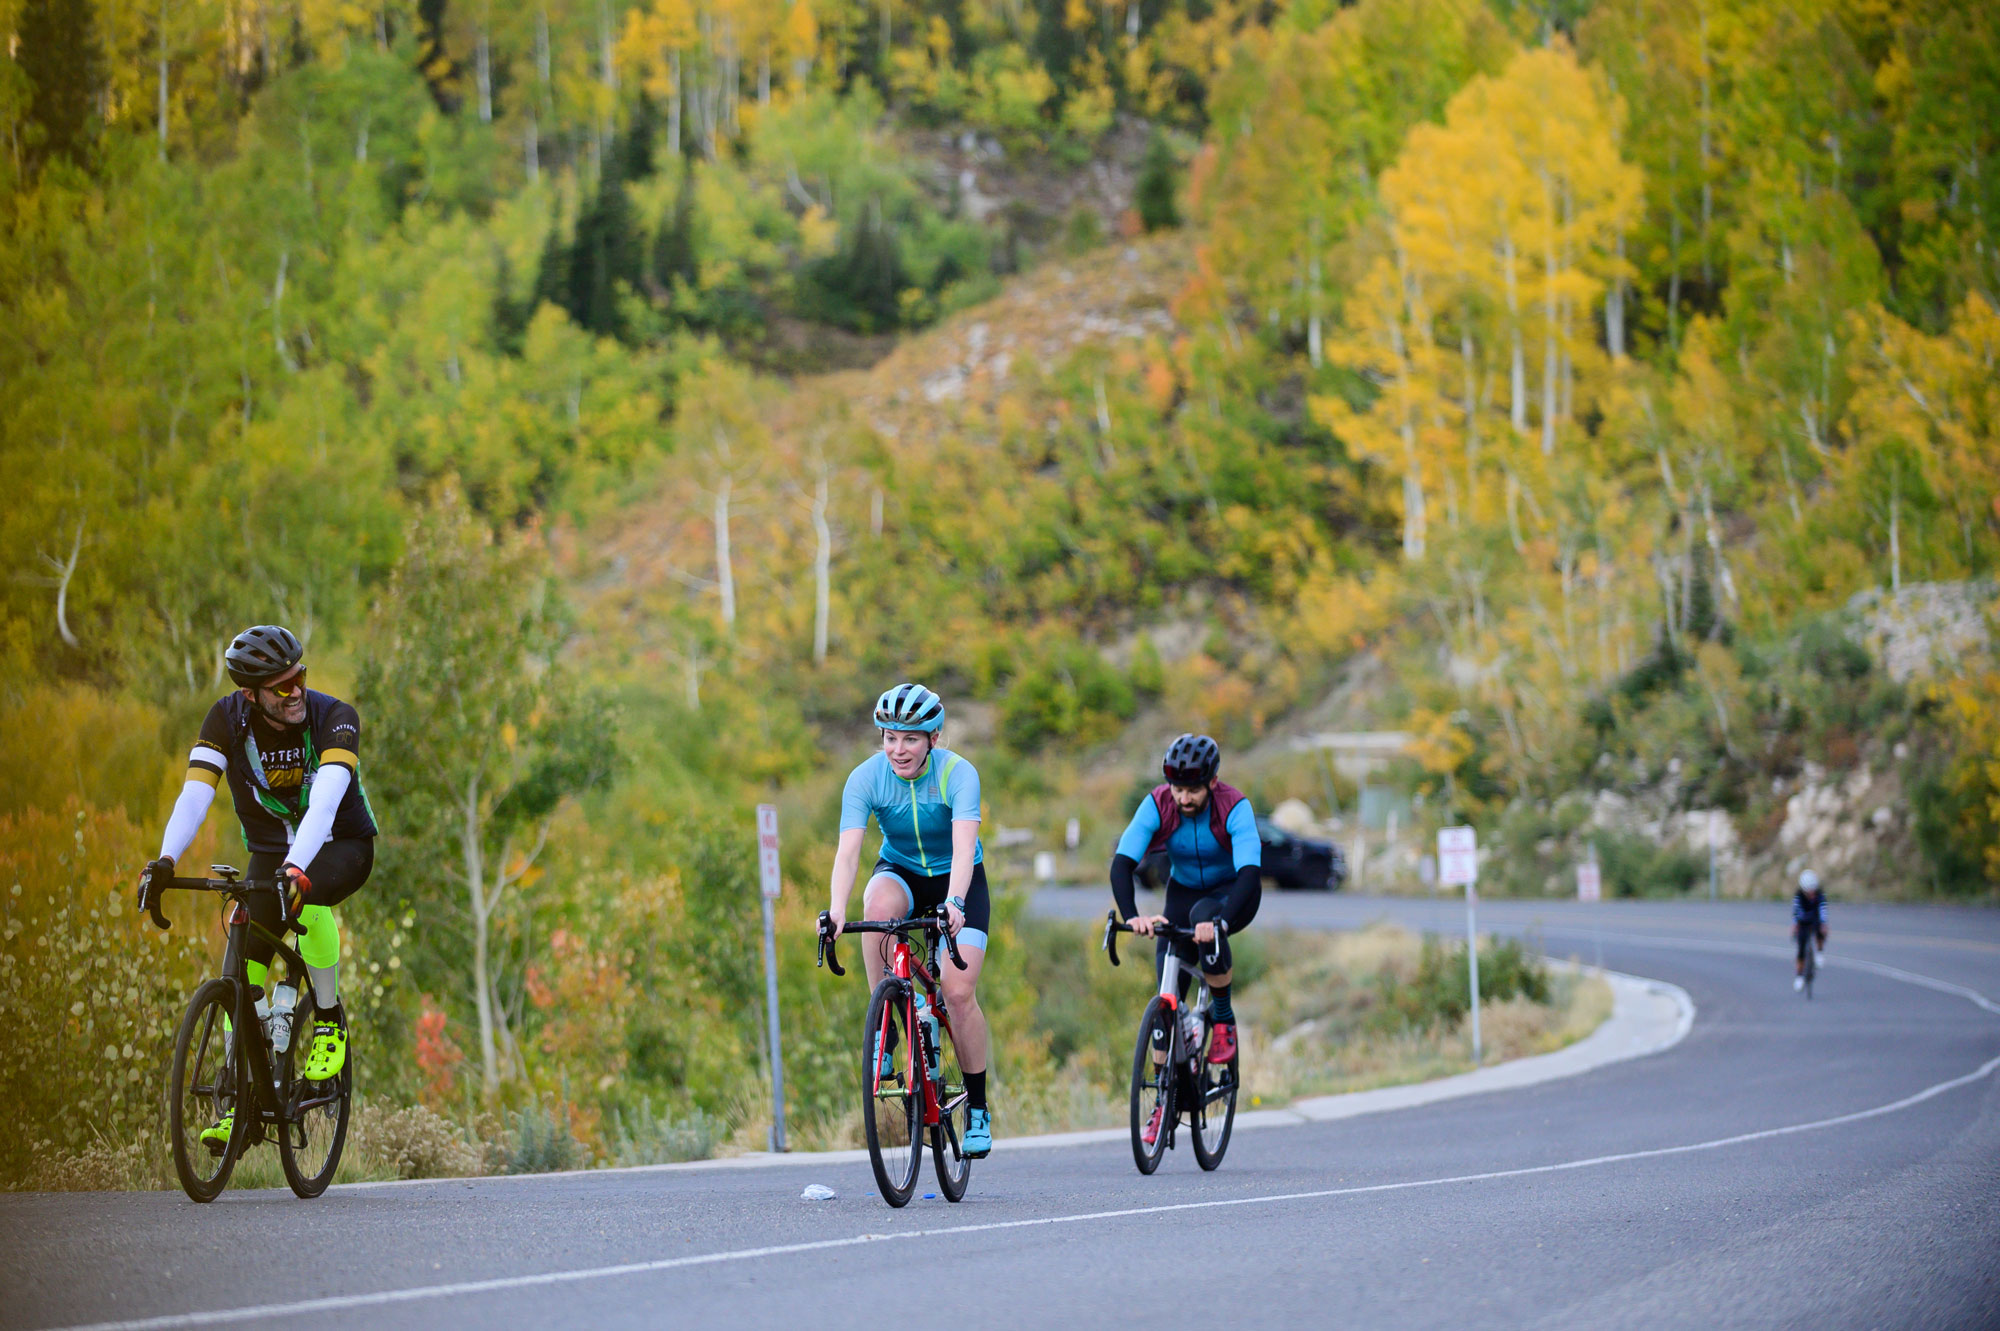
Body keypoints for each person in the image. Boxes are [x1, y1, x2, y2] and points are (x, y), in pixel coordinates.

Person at [136, 625, 377, 1149]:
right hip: (270, 852)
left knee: (305, 900)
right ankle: (239, 1100)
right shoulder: (226, 720)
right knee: (241, 967)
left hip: (341, 844)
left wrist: (295, 870)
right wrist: (164, 860)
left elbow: (327, 801)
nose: (296, 694)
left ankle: (329, 1020)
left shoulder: (334, 718)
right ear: (251, 695)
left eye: (300, 680)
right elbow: (195, 795)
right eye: (281, 688)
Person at [827, 683, 994, 1157]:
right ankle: (886, 1023)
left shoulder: (958, 774)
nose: (898, 749)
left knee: (958, 992)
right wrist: (836, 910)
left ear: (933, 739)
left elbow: (965, 850)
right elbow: (848, 853)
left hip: (956, 880)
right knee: (876, 910)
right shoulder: (865, 778)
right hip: (900, 871)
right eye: (890, 737)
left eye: (911, 739)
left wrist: (956, 903)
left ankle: (978, 1108)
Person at [1108, 733, 1261, 1146]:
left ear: (1212, 782)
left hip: (1234, 893)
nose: (1184, 798)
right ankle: (1163, 1103)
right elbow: (1122, 864)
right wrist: (1134, 916)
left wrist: (1224, 920)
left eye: (1193, 789)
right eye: (1178, 789)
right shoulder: (1159, 802)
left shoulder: (1234, 805)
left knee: (1204, 919)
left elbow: (1250, 872)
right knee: (1165, 1004)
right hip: (1183, 893)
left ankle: (1224, 1020)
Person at [1792, 868, 1828, 991]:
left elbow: (1823, 910)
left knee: (1821, 930)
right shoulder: (1799, 896)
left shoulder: (1820, 895)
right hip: (1803, 922)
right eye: (1808, 891)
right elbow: (1795, 912)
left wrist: (1824, 924)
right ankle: (1799, 976)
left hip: (1815, 920)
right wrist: (1795, 925)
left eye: (1812, 890)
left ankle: (1819, 952)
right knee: (1801, 949)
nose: (1811, 893)